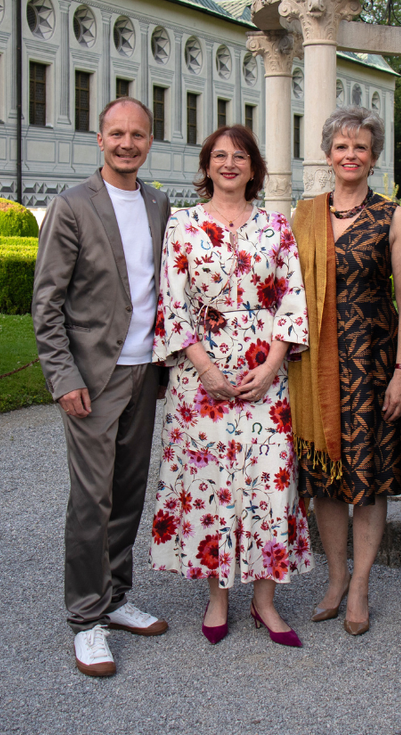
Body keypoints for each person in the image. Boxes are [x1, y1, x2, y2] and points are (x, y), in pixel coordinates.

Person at [149, 125, 312, 648]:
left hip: (266, 376)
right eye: (219, 156)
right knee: (210, 483)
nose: (228, 164)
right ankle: (218, 594)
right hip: (200, 380)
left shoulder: (276, 226)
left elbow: (292, 302)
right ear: (206, 165)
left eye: (239, 156)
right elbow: (172, 304)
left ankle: (265, 601)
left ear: (253, 166)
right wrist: (206, 370)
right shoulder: (182, 225)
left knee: (270, 483)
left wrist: (269, 368)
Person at [32, 97, 171, 678]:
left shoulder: (160, 204)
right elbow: (47, 304)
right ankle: (85, 618)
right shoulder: (71, 206)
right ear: (100, 139)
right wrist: (63, 378)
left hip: (146, 373)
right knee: (92, 500)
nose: (127, 143)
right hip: (92, 378)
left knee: (129, 492)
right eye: (117, 133)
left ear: (147, 142)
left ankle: (115, 598)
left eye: (137, 135)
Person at [287, 107, 401, 636]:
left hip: (371, 366)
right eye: (342, 146)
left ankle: (361, 583)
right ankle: (335, 578)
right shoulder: (304, 214)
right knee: (324, 480)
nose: (350, 155)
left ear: (374, 157)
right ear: (327, 154)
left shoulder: (392, 217)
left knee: (369, 479)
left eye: (360, 147)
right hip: (314, 368)